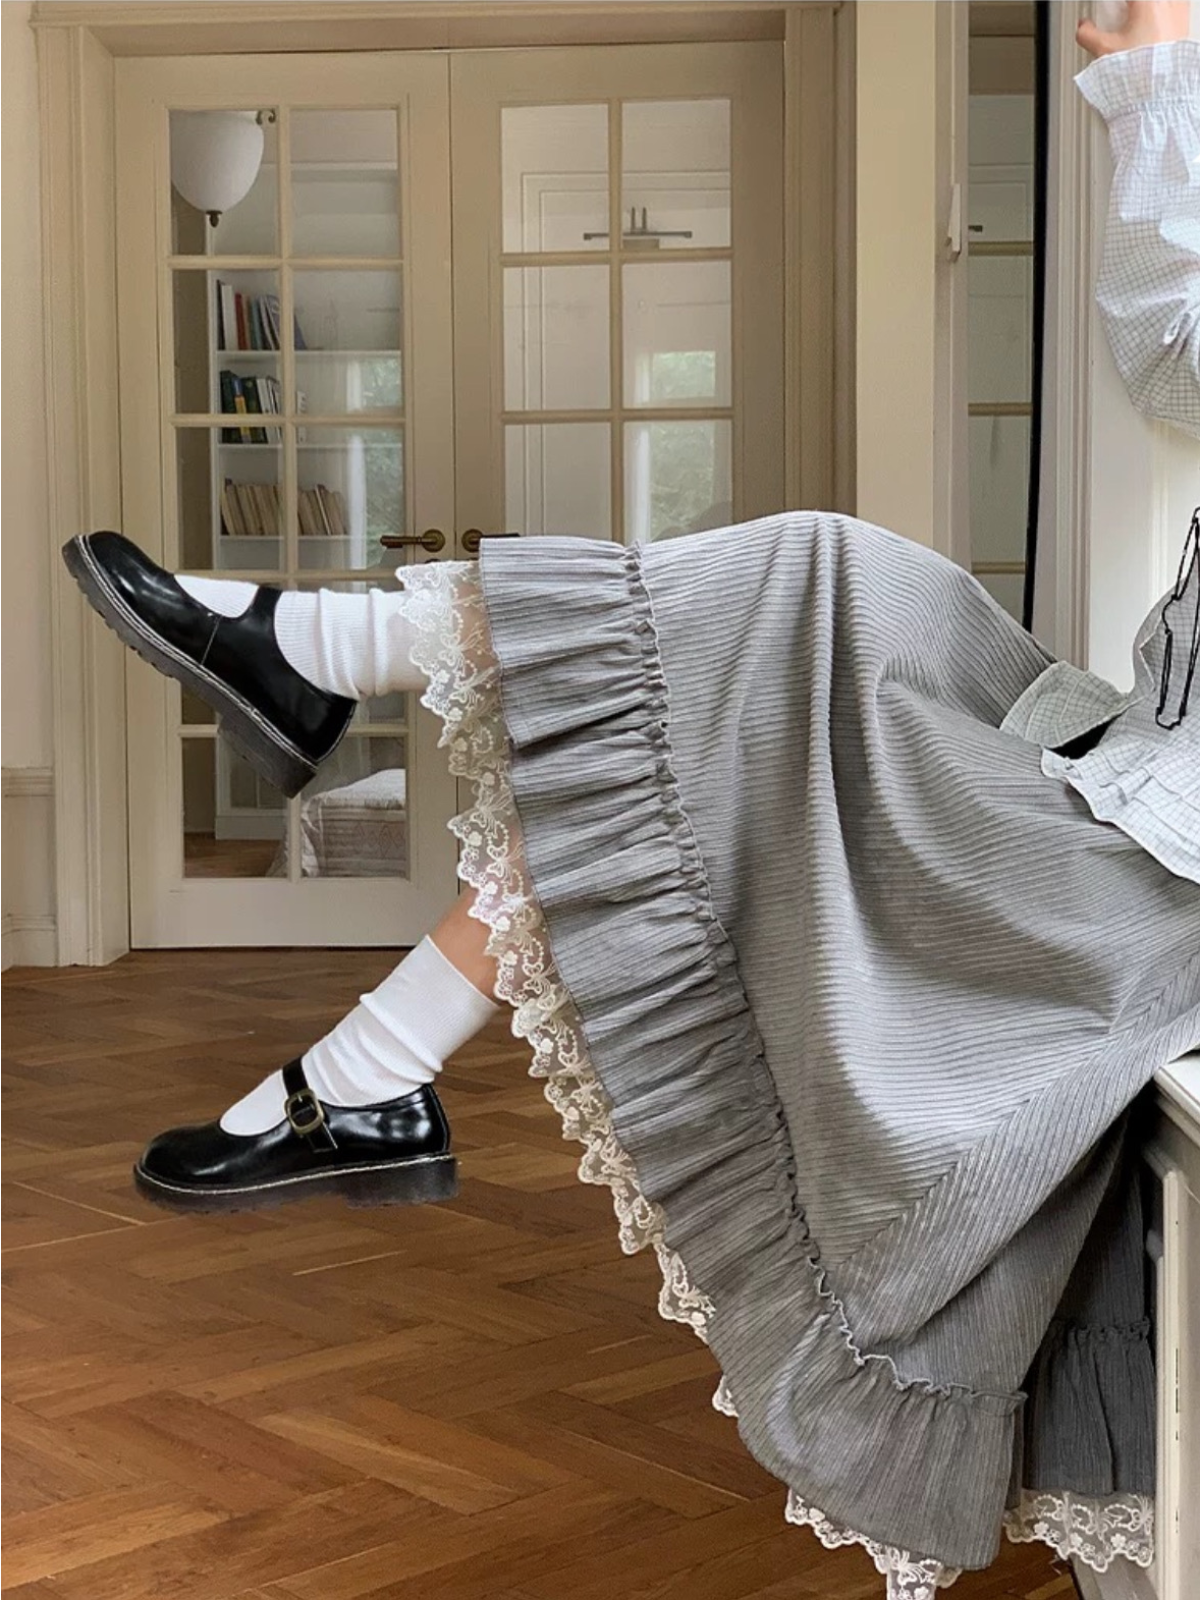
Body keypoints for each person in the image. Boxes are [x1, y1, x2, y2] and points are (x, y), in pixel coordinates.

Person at [62, 5, 1198, 1595]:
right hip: (1127, 770)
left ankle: (320, 752)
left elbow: (1177, 353)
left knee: (739, 693)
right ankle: (359, 1018)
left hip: (1161, 874)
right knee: (811, 599)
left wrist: (1154, 77)